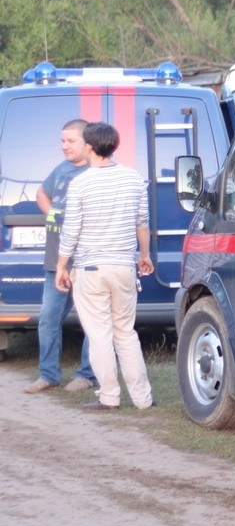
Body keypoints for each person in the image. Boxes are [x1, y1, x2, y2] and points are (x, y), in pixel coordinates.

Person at [55, 122, 154, 411]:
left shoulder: (81, 183)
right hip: (124, 267)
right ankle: (142, 399)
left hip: (91, 269)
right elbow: (142, 224)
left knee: (100, 335)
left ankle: (109, 397)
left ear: (88, 147)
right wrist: (144, 255)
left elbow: (71, 231)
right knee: (126, 332)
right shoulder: (134, 179)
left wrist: (62, 266)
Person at [24, 119, 98, 395]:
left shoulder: (96, 171)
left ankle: (87, 375)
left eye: (70, 141)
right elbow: (41, 193)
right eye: (62, 141)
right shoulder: (62, 169)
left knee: (91, 320)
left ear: (87, 143)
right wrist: (52, 211)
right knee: (48, 317)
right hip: (57, 260)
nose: (64, 146)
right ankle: (49, 375)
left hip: (85, 261)